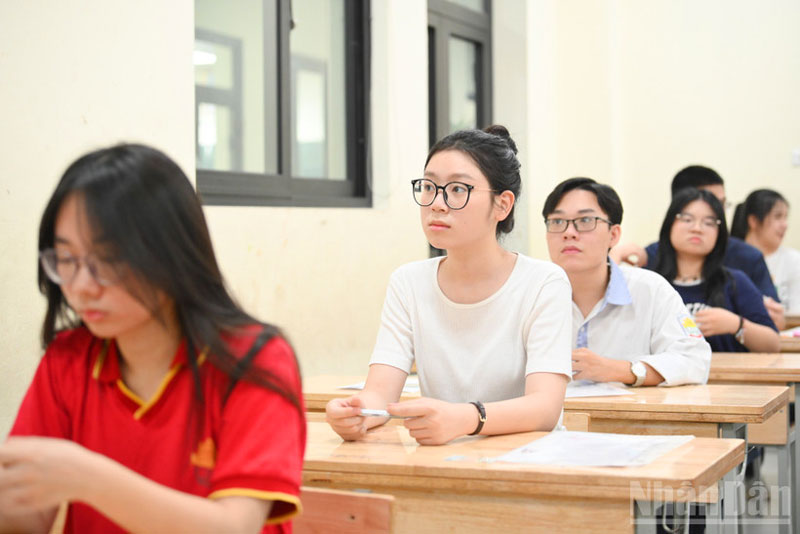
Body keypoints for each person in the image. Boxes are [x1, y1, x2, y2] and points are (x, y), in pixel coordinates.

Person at [0, 145, 305, 533]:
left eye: (108, 259)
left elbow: (235, 527)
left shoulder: (253, 359)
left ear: (172, 254)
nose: (81, 287)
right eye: (67, 260)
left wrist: (85, 477)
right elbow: (24, 521)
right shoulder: (68, 359)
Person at [325, 126, 572, 446]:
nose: (437, 204)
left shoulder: (543, 283)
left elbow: (545, 408)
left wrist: (466, 418)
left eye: (457, 189)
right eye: (429, 187)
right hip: (441, 456)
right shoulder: (408, 282)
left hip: (527, 457)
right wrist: (357, 413)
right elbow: (380, 394)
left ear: (502, 204)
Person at [543, 177, 711, 386]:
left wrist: (622, 370)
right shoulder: (532, 293)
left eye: (585, 220)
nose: (569, 233)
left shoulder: (651, 289)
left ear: (613, 235)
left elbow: (695, 361)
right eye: (557, 222)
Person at [611, 165, 784, 329]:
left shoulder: (746, 260)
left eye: (721, 204)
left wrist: (740, 325)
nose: (697, 228)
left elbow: (775, 325)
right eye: (688, 218)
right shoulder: (652, 258)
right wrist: (616, 254)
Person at [651, 188, 780, 353]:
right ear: (669, 224)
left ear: (720, 233)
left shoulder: (735, 282)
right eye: (687, 219)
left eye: (709, 222)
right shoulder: (652, 284)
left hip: (727, 370)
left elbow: (773, 345)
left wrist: (736, 325)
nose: (697, 228)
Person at [731, 189, 800, 315]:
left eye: (786, 217)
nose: (785, 225)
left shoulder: (795, 260)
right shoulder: (729, 257)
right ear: (753, 221)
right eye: (778, 217)